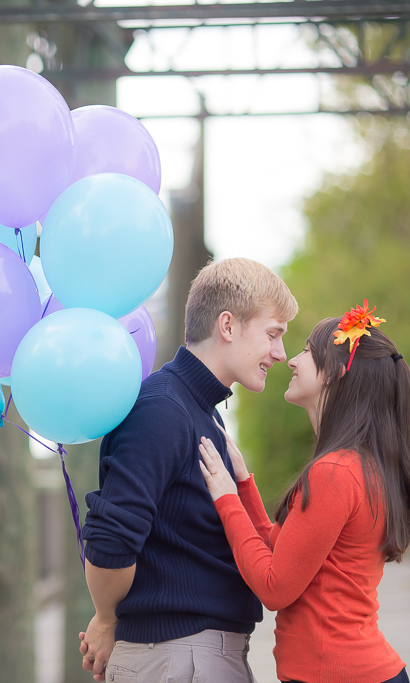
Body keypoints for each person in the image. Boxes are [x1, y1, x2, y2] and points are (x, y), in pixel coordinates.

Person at [78, 258, 298, 683]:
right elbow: (111, 539)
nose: (280, 353)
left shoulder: (199, 411)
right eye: (273, 334)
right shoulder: (163, 409)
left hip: (194, 657)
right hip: (181, 660)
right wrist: (106, 618)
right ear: (228, 325)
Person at [198, 301, 410, 683]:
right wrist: (243, 486)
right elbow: (288, 554)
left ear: (334, 374)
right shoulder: (360, 466)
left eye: (305, 350)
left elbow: (275, 586)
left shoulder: (334, 473)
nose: (292, 360)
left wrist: (226, 500)